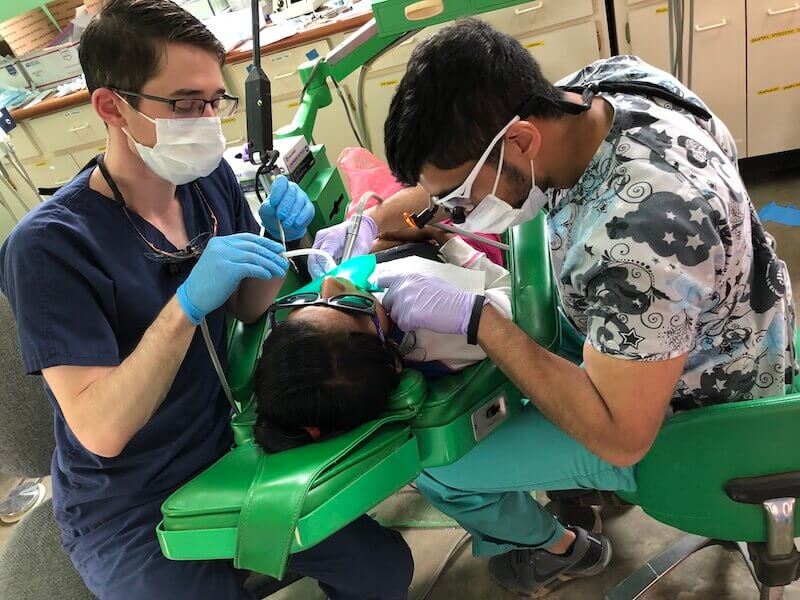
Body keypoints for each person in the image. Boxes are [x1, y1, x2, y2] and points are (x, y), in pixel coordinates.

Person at [311, 18, 798, 597]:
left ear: (521, 141)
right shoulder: (603, 90)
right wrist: (373, 221)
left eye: (462, 197)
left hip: (691, 412)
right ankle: (572, 495)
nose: (456, 212)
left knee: (440, 462)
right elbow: (457, 181)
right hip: (723, 322)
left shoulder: (638, 239)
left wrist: (477, 320)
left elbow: (621, 437)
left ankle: (554, 554)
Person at [0, 1, 412, 598]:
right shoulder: (50, 248)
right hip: (128, 505)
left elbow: (247, 305)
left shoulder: (207, 177)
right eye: (183, 104)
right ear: (112, 107)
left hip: (227, 447)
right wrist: (186, 306)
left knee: (381, 569)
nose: (207, 121)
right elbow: (102, 430)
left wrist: (279, 240)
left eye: (214, 101)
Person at [254, 232, 512, 452]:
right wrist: (450, 241)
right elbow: (515, 298)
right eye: (348, 304)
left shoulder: (365, 323)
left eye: (310, 300)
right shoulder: (444, 334)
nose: (330, 283)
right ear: (391, 358)